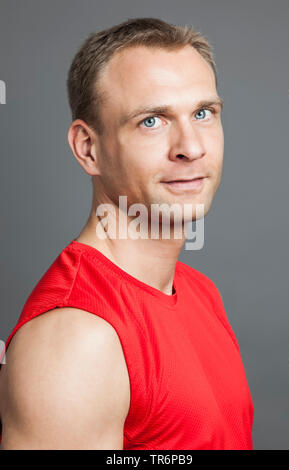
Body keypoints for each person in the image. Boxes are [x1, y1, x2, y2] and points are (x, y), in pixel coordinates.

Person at [0, 17, 254, 450]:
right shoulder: (77, 340)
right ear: (88, 148)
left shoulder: (199, 291)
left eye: (203, 113)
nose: (191, 147)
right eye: (152, 121)